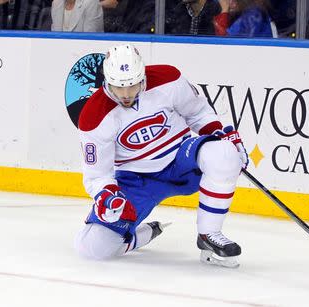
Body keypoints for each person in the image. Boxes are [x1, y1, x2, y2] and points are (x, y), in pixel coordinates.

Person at [74, 43, 249, 268]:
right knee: (93, 248)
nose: (126, 95)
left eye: (133, 85)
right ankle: (145, 234)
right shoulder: (93, 116)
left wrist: (220, 135)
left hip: (181, 160)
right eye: (119, 87)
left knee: (224, 153)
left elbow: (198, 113)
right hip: (136, 180)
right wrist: (108, 198)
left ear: (143, 75)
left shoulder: (168, 79)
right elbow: (97, 176)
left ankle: (209, 235)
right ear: (107, 81)